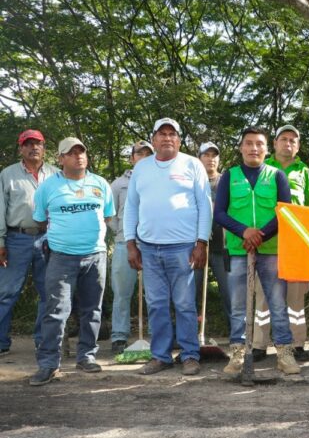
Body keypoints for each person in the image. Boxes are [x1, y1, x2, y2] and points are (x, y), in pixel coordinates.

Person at [124, 117, 212, 376]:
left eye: (172, 134)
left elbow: (205, 205)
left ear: (179, 140)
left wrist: (202, 242)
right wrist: (131, 243)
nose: (167, 138)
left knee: (185, 303)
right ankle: (160, 356)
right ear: (153, 140)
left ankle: (189, 355)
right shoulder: (142, 168)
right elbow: (131, 206)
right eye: (161, 134)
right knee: (156, 303)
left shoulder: (192, 164)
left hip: (184, 247)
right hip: (149, 248)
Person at [214, 127, 300, 376]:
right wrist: (244, 232)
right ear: (241, 147)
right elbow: (220, 213)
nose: (254, 148)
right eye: (248, 143)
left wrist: (260, 235)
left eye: (259, 144)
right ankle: (238, 353)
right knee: (239, 305)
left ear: (266, 148)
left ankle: (284, 352)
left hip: (271, 248)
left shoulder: (276, 176)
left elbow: (285, 211)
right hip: (239, 250)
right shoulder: (230, 176)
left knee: (277, 303)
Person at [29, 137, 115, 385]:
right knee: (55, 311)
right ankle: (48, 364)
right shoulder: (47, 187)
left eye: (81, 151)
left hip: (95, 256)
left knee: (92, 310)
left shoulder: (100, 184)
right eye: (71, 152)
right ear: (60, 158)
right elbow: (40, 221)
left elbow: (107, 216)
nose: (78, 156)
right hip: (61, 257)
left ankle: (86, 356)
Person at [255, 124, 309, 362]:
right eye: (283, 139)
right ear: (275, 143)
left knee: (295, 299)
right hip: (267, 244)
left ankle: (297, 343)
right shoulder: (262, 169)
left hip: (297, 246)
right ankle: (259, 344)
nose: (288, 143)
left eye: (293, 140)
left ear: (298, 146)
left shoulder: (305, 173)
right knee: (263, 297)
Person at [0, 129, 58, 356]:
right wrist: (0, 242)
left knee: (49, 292)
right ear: (21, 148)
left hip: (49, 239)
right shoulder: (8, 174)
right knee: (6, 292)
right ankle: (1, 342)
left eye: (38, 144)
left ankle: (43, 341)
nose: (34, 148)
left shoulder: (55, 174)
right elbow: (0, 210)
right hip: (16, 238)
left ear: (44, 148)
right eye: (29, 144)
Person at [108, 140, 154, 354]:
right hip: (123, 245)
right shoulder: (118, 184)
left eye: (148, 153)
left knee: (154, 294)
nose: (143, 157)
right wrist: (124, 233)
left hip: (153, 245)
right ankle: (119, 336)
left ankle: (157, 335)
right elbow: (109, 214)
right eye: (139, 153)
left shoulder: (159, 180)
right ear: (132, 158)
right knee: (122, 293)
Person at [196, 141, 231, 327]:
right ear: (199, 158)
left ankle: (236, 336)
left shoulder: (227, 181)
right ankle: (192, 335)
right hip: (196, 246)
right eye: (206, 155)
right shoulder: (192, 181)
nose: (211, 159)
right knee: (191, 292)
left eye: (214, 155)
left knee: (229, 292)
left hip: (222, 245)